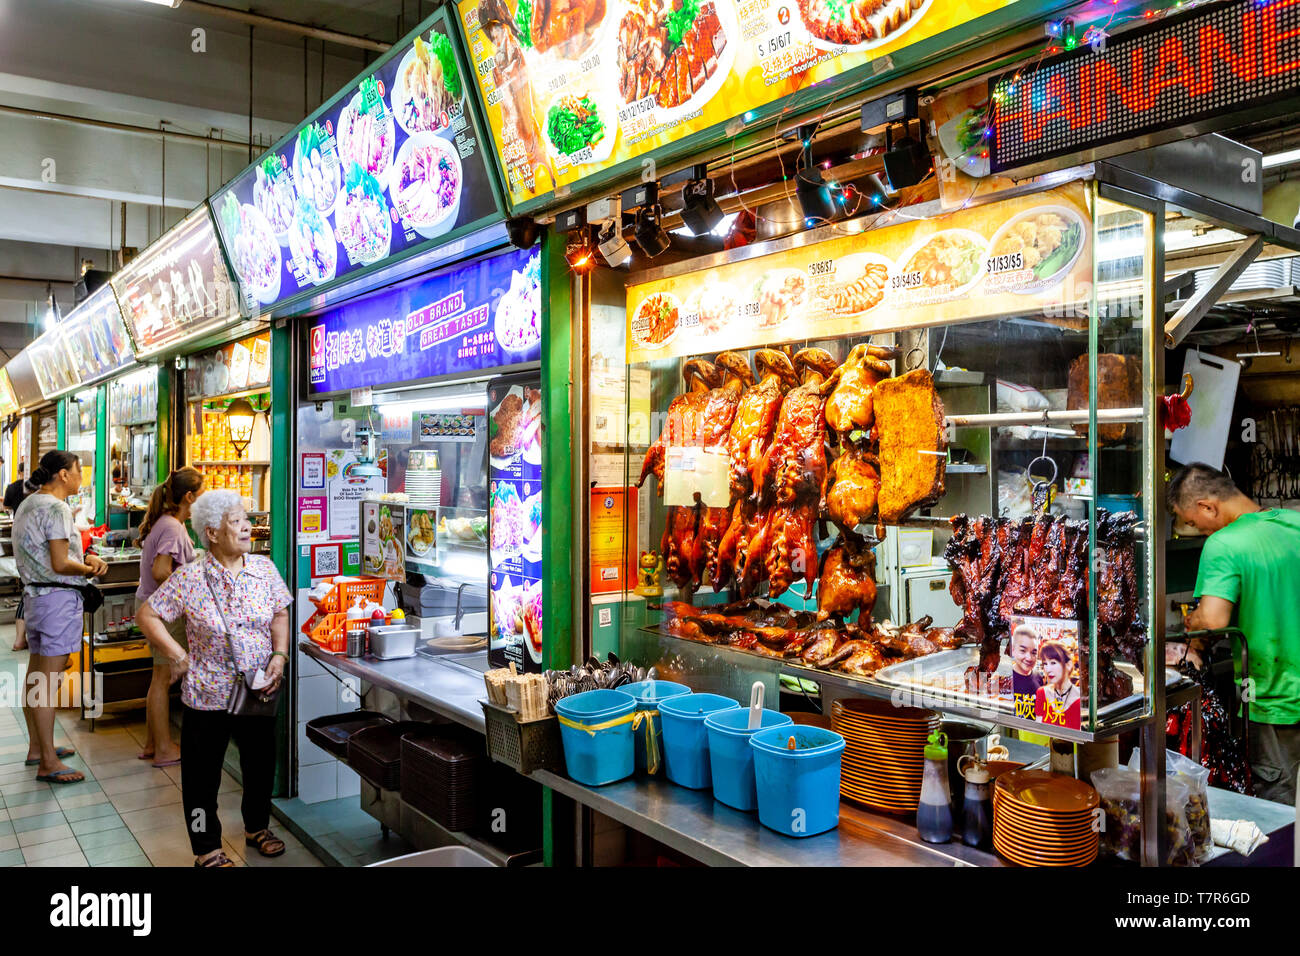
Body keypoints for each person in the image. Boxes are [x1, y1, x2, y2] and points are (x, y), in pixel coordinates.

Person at [136, 490, 292, 867]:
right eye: (236, 520)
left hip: (258, 689)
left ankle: (257, 827)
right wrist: (177, 655)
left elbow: (280, 615)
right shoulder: (190, 578)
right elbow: (147, 615)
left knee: (259, 765)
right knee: (201, 779)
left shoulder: (264, 569)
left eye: (246, 519)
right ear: (212, 532)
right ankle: (206, 848)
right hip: (207, 695)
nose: (246, 526)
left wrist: (280, 655)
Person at [1168, 462, 1300, 804]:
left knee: (1277, 818)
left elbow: (1212, 620)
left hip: (1272, 701)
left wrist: (1193, 623)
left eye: (1196, 524)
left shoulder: (1225, 544)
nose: (1202, 532)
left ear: (1208, 506)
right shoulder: (1294, 523)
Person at [13, 451, 108, 782]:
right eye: (79, 470)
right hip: (56, 598)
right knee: (48, 683)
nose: (82, 476)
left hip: (36, 597)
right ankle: (48, 762)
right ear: (64, 475)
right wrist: (91, 566)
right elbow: (59, 561)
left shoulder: (29, 503)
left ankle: (38, 748)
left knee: (36, 677)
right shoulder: (56, 508)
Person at [135, 467, 204, 767]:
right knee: (163, 680)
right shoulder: (174, 527)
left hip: (153, 607)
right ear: (189, 496)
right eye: (202, 495)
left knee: (158, 679)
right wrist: (188, 596)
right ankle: (163, 749)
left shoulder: (166, 523)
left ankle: (154, 743)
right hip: (163, 613)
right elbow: (161, 571)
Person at [5, 475, 30, 652]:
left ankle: (20, 639)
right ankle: (21, 640)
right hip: (33, 559)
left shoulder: (13, 487)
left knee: (26, 594)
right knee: (28, 594)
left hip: (22, 546)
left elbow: (6, 505)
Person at [1035, 640, 1081, 729]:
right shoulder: (1042, 693)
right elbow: (1038, 730)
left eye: (1053, 663)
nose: (1048, 669)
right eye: (1045, 664)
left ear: (1068, 665)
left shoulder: (1079, 701)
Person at [1009, 625, 1041, 720]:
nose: (1029, 658)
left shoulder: (1038, 676)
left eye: (1033, 652)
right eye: (1023, 651)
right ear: (1013, 650)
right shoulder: (1007, 678)